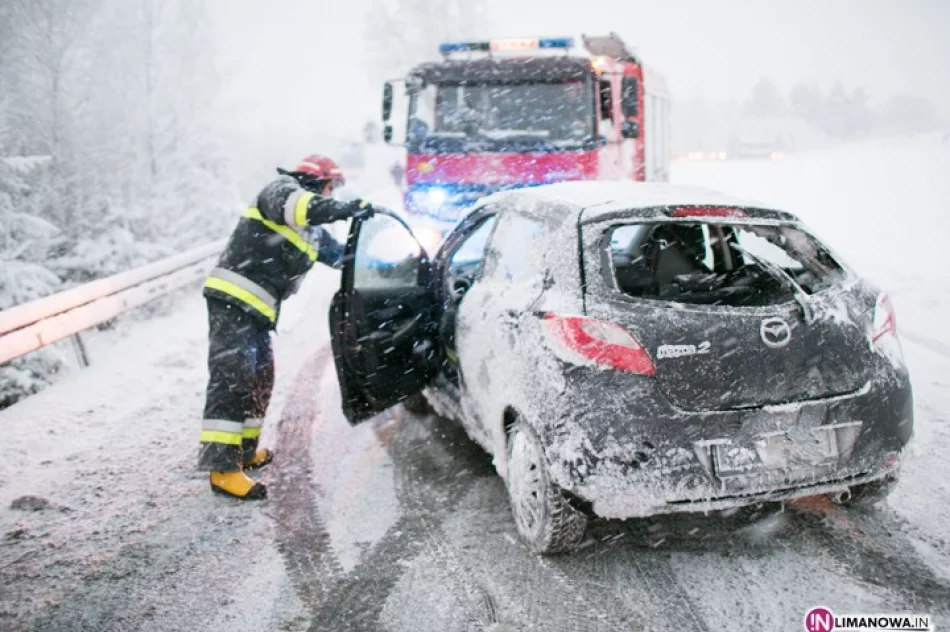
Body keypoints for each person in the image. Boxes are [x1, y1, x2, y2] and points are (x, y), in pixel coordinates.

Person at [197, 154, 375, 500]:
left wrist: (384, 259)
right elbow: (302, 206)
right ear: (315, 180)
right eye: (330, 187)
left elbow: (344, 257)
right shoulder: (280, 192)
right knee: (233, 377)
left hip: (259, 311)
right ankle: (223, 468)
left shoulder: (311, 233)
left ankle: (245, 452)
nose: (332, 195)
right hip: (233, 299)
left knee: (260, 378)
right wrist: (348, 209)